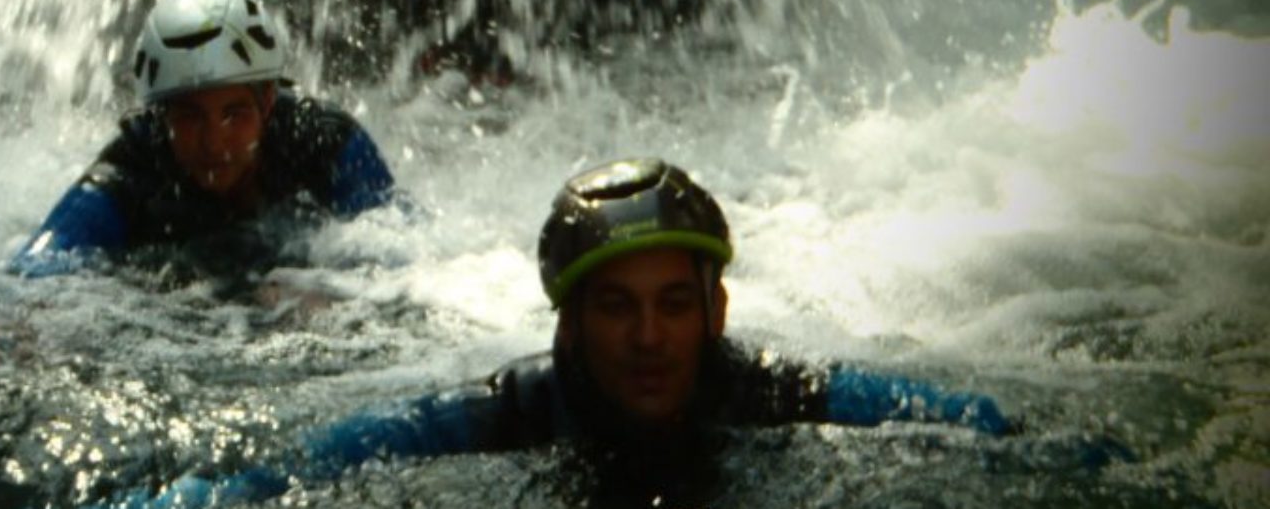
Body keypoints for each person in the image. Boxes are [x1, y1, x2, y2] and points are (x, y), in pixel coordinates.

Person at [90, 158, 1023, 508]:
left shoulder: (764, 389)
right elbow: (340, 453)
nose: (649, 336)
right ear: (569, 327)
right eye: (616, 307)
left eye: (672, 303)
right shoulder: (516, 408)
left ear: (717, 313)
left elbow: (956, 417)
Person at [8, 0, 397, 279]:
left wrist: (334, 289)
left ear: (267, 101)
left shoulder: (322, 142)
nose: (214, 143)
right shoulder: (135, 166)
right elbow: (39, 262)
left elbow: (407, 247)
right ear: (161, 117)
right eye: (190, 117)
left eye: (234, 114)